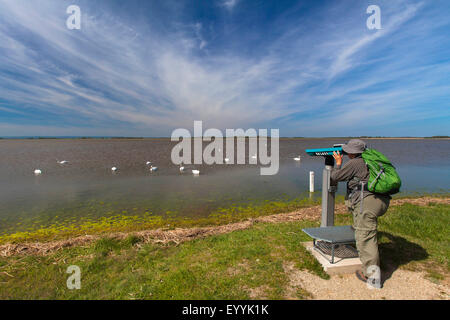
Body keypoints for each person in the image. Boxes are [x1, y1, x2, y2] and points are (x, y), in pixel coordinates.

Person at [331, 139, 391, 285]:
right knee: (367, 233)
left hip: (368, 203)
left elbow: (335, 176)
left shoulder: (356, 162)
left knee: (366, 239)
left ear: (351, 152)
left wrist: (338, 163)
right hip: (381, 201)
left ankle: (372, 277)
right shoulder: (372, 159)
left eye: (347, 151)